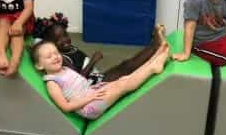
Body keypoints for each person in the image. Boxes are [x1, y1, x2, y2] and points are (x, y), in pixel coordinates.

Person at [31, 40, 169, 119]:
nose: (55, 57)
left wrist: (93, 92)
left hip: (92, 92)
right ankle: (153, 67)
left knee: (123, 79)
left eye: (56, 53)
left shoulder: (64, 69)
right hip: (89, 107)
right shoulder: (52, 82)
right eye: (49, 56)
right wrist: (90, 98)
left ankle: (153, 59)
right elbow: (66, 107)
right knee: (123, 85)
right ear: (39, 65)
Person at [34, 13, 167, 83]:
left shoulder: (66, 49)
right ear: (49, 43)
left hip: (96, 78)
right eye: (58, 39)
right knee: (127, 68)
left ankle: (154, 48)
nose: (64, 40)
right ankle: (155, 47)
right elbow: (78, 80)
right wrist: (93, 61)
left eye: (65, 35)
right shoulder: (62, 58)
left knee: (125, 66)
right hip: (93, 87)